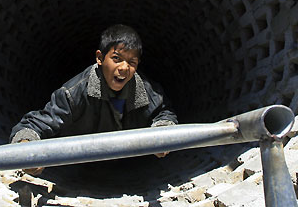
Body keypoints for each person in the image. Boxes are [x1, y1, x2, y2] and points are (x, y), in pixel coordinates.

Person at [9, 24, 178, 175]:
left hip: (127, 170)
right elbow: (34, 125)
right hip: (77, 169)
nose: (124, 68)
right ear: (100, 58)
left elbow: (164, 112)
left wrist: (162, 133)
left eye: (132, 62)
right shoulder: (74, 93)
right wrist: (28, 151)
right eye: (116, 59)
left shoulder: (145, 89)